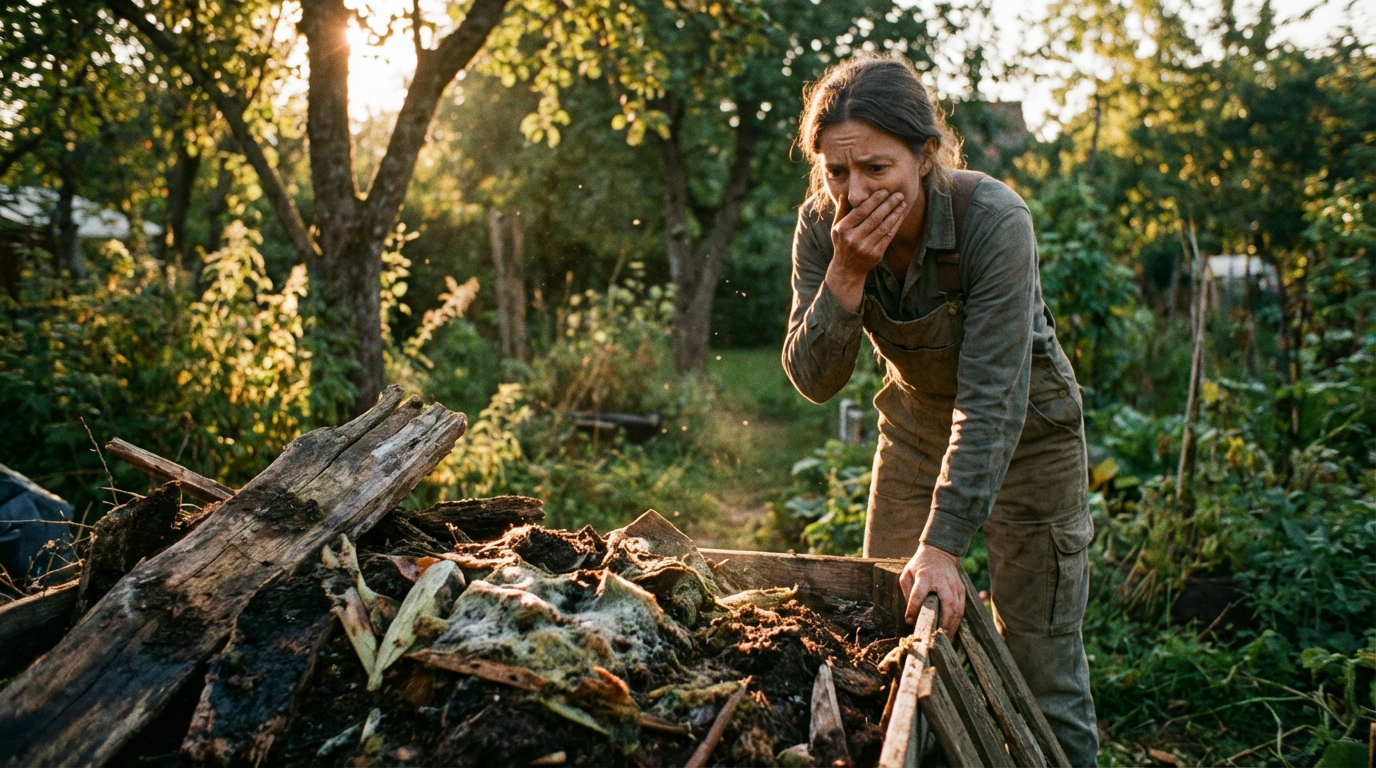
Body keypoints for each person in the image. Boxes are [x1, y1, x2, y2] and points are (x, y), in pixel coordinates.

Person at [782, 54, 1098, 765]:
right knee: (884, 642)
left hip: (1030, 438)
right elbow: (813, 379)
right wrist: (847, 274)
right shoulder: (821, 229)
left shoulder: (993, 221)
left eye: (877, 170)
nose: (854, 193)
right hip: (915, 430)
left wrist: (946, 543)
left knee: (1043, 666)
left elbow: (993, 399)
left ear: (926, 157)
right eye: (837, 173)